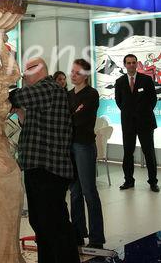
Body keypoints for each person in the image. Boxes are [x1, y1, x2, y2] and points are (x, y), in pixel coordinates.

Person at [9, 57, 86, 263]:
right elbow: (28, 122)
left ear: (38, 73)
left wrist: (8, 97)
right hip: (38, 168)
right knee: (41, 224)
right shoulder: (43, 95)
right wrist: (21, 114)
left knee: (57, 228)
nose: (23, 78)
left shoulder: (48, 88)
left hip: (49, 170)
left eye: (26, 74)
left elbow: (15, 98)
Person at [68, 58, 105, 249]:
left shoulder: (91, 94)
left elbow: (80, 119)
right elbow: (69, 118)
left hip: (84, 146)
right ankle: (78, 234)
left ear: (86, 75)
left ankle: (97, 238)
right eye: (72, 72)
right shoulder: (68, 95)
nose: (73, 75)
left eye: (77, 73)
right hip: (70, 147)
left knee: (89, 192)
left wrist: (70, 117)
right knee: (75, 192)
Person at [115, 53, 159, 192]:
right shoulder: (120, 81)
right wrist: (129, 113)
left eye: (133, 62)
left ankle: (153, 182)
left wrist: (142, 113)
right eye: (128, 63)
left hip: (145, 123)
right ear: (125, 65)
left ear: (137, 63)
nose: (131, 65)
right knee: (128, 153)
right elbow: (119, 101)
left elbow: (153, 100)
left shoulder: (146, 80)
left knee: (149, 153)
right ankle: (128, 181)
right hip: (128, 124)